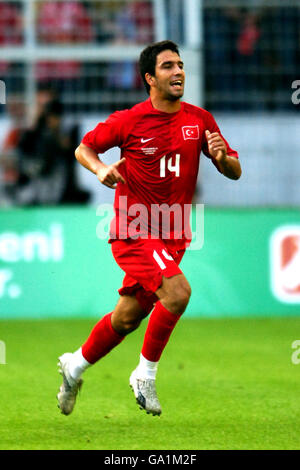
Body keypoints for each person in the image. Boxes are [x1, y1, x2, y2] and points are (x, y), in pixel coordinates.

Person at [57, 40, 242, 416]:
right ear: (149, 78)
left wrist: (222, 158)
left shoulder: (199, 120)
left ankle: (73, 367)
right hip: (133, 228)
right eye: (167, 67)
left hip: (173, 235)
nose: (178, 72)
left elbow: (235, 170)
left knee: (126, 318)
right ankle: (144, 374)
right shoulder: (129, 120)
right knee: (177, 293)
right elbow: (83, 148)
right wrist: (101, 169)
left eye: (180, 65)